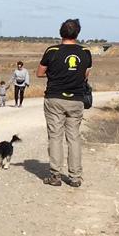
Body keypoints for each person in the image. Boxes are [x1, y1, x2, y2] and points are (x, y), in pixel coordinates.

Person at [38, 19, 93, 188]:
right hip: (76, 99)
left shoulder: (52, 51)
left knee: (55, 137)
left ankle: (55, 175)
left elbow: (40, 73)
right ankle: (75, 176)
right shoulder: (85, 52)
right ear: (77, 33)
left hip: (54, 98)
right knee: (74, 137)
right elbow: (86, 74)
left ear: (61, 32)